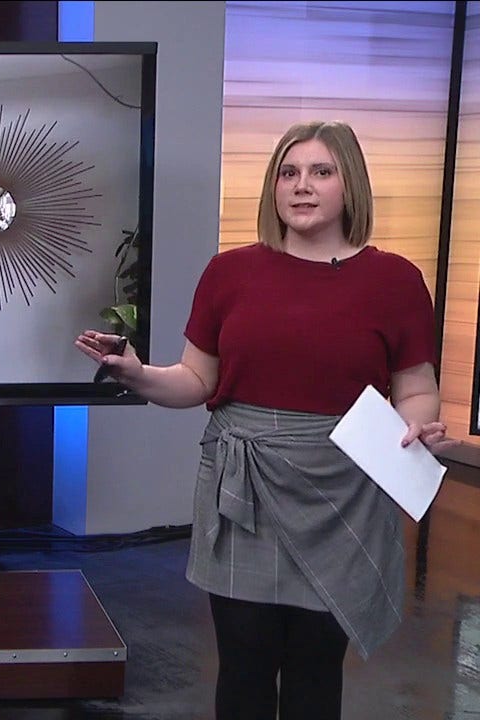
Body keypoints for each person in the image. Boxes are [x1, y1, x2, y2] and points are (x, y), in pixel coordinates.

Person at [75, 120, 458, 720]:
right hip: (244, 488)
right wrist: (137, 373)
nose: (301, 186)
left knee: (315, 667)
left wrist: (415, 425)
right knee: (244, 663)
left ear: (350, 186)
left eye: (321, 172)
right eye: (288, 173)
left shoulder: (395, 281)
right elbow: (197, 379)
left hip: (344, 491)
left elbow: (415, 389)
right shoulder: (229, 273)